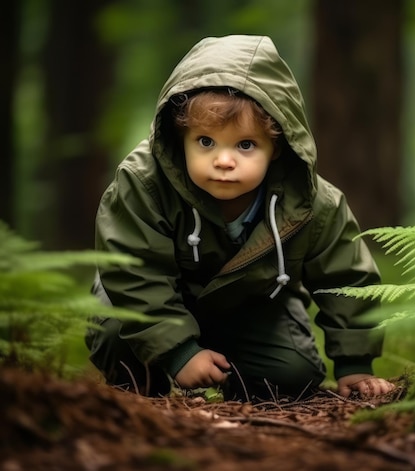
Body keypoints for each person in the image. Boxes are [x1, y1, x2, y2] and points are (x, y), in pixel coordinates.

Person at [86, 34, 395, 401]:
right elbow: (133, 271)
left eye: (245, 145)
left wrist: (354, 365)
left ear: (277, 145)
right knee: (115, 337)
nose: (224, 160)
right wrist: (179, 352)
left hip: (250, 308)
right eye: (205, 142)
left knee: (290, 377)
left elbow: (347, 279)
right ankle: (142, 398)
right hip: (149, 301)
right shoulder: (143, 184)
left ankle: (232, 382)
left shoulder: (312, 202)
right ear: (179, 135)